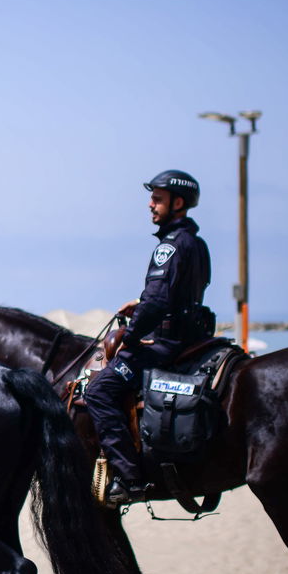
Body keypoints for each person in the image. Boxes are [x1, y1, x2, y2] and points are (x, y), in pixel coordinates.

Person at [83, 169, 213, 506]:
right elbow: (178, 296)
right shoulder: (197, 244)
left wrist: (130, 337)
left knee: (98, 391)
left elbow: (157, 302)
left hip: (166, 345)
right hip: (191, 338)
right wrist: (140, 304)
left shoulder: (168, 247)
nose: (150, 205)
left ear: (178, 203)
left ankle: (130, 479)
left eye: (157, 199)